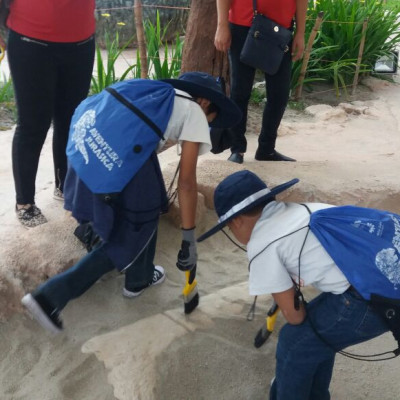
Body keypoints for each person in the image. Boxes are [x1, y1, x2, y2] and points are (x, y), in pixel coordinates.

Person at [21, 72, 242, 334]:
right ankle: (49, 297)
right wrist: (188, 237)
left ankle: (139, 277)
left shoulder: (150, 92)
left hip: (83, 146)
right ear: (205, 102)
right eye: (211, 121)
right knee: (133, 229)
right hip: (114, 159)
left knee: (151, 199)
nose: (207, 126)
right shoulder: (194, 111)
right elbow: (186, 183)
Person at [197, 170, 390, 400]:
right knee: (315, 337)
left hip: (374, 299)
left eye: (229, 227)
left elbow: (294, 316)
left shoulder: (261, 243)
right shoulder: (302, 209)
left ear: (236, 221)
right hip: (384, 276)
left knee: (294, 342)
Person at [0, 0, 96, 227]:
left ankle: (64, 186)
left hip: (81, 40)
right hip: (30, 39)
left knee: (71, 121)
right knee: (33, 125)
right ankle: (25, 203)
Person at [214, 0, 308, 164]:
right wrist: (221, 25)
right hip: (242, 26)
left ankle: (266, 149)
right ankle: (237, 149)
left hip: (281, 30)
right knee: (240, 91)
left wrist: (300, 32)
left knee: (280, 94)